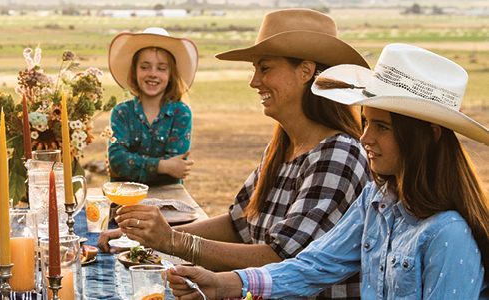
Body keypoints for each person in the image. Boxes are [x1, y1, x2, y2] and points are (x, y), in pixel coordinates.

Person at [169, 43, 489, 300]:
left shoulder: (449, 234)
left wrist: (178, 244)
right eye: (365, 122)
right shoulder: (376, 202)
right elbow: (314, 265)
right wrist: (222, 284)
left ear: (429, 135)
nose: (365, 138)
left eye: (382, 127)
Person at [99, 9, 370, 299]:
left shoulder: (338, 156)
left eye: (264, 68)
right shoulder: (283, 148)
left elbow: (282, 260)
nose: (254, 81)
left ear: (305, 71)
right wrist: (149, 238)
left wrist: (173, 241)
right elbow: (237, 223)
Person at [106, 27, 197, 186]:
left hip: (169, 198)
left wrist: (128, 168)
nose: (153, 73)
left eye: (161, 68)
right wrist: (163, 166)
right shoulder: (121, 112)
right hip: (125, 198)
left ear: (170, 75)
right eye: (145, 67)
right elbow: (116, 161)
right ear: (134, 72)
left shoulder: (180, 113)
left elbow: (176, 170)